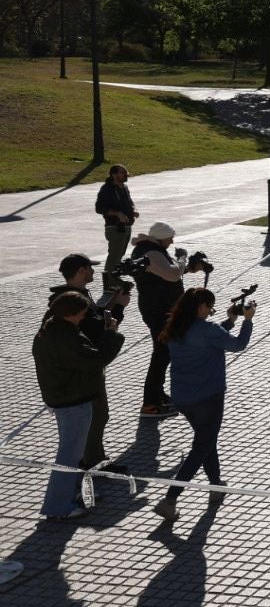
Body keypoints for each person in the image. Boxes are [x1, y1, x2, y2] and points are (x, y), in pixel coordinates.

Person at [151, 287, 254, 522]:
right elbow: (237, 345)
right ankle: (170, 499)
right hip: (208, 397)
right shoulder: (208, 330)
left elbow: (208, 338)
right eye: (209, 307)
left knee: (207, 441)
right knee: (201, 447)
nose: (210, 312)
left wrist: (229, 321)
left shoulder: (176, 326)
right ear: (200, 307)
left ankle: (216, 486)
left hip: (183, 397)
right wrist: (247, 321)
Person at [34, 289, 125, 520]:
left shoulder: (53, 329)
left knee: (73, 454)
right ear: (71, 314)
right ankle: (57, 507)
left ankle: (72, 494)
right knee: (68, 456)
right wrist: (111, 334)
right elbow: (95, 360)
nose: (84, 317)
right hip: (72, 401)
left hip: (66, 397)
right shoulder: (64, 337)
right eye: (82, 313)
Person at [50, 253, 131, 475]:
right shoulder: (74, 300)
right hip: (86, 367)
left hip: (85, 364)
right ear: (81, 271)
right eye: (90, 268)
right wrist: (120, 308)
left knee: (99, 414)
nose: (94, 271)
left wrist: (113, 301)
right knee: (98, 414)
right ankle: (91, 462)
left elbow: (94, 320)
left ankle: (95, 458)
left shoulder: (73, 296)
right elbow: (97, 330)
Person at [129, 221, 191, 418]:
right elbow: (172, 274)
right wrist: (182, 258)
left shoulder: (151, 250)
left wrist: (186, 267)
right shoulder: (151, 253)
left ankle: (158, 394)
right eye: (170, 237)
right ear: (161, 237)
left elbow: (166, 272)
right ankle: (150, 404)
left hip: (157, 308)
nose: (172, 241)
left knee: (163, 353)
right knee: (161, 354)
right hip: (158, 310)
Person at [95, 164, 138, 291]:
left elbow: (130, 203)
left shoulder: (124, 188)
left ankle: (115, 277)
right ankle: (109, 281)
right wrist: (117, 214)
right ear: (114, 174)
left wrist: (134, 210)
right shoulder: (107, 189)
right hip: (114, 227)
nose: (125, 175)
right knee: (114, 255)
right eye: (122, 173)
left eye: (125, 173)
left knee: (120, 254)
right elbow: (99, 208)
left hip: (126, 226)